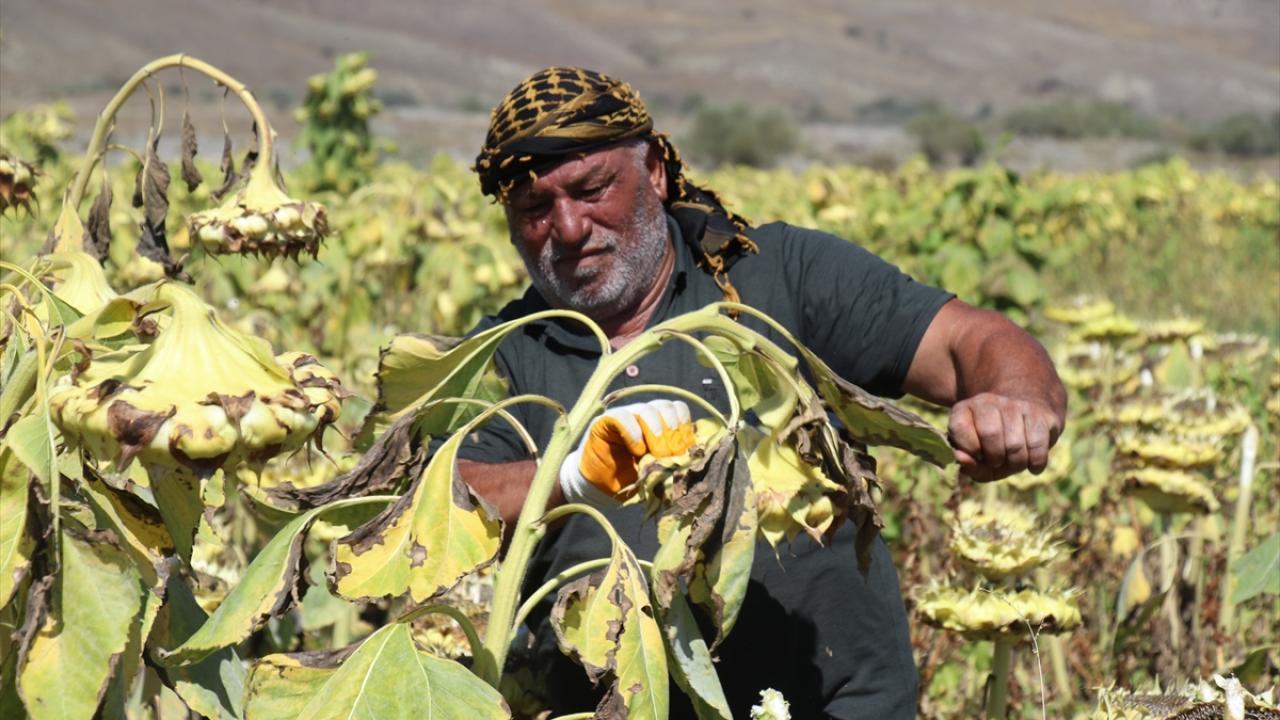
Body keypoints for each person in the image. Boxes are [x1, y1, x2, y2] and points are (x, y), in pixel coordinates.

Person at [454, 67, 1066, 718]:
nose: (570, 228)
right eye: (535, 210)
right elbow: (449, 496)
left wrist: (1015, 399)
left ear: (655, 170)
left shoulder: (775, 278)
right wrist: (574, 476)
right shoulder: (506, 352)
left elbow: (969, 341)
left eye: (591, 189)